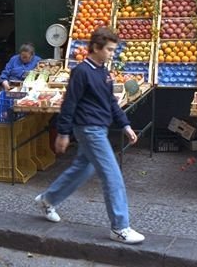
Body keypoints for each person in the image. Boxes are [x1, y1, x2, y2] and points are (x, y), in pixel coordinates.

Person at [34, 27, 145, 245]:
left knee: (84, 168)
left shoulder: (103, 71)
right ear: (96, 47)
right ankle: (120, 227)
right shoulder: (81, 71)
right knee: (112, 175)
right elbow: (70, 103)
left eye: (114, 50)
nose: (113, 54)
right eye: (110, 50)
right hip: (88, 129)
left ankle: (48, 199)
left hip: (98, 128)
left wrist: (125, 125)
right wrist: (63, 132)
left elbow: (111, 102)